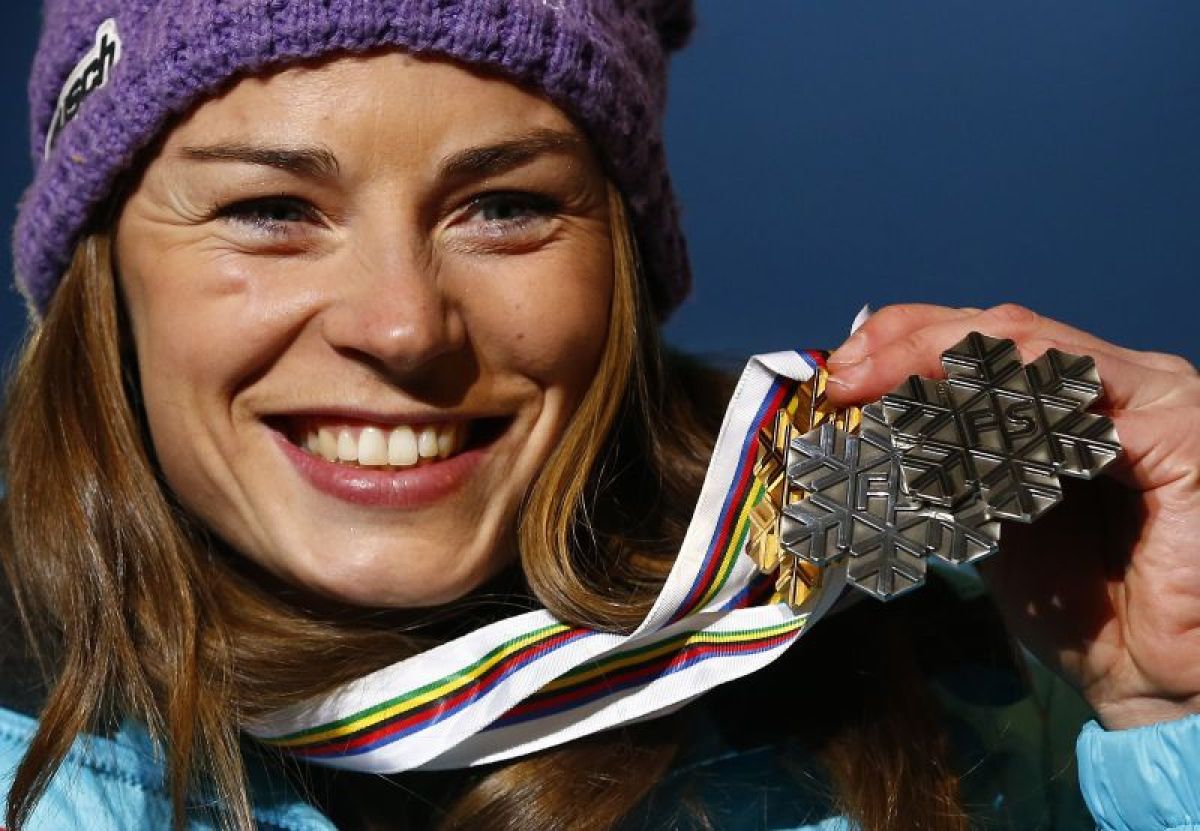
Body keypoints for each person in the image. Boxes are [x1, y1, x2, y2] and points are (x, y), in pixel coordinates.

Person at [1, 2, 1197, 829]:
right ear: (103, 283)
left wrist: (1170, 710)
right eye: (269, 210)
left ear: (622, 264)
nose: (404, 327)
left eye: (506, 206)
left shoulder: (964, 674)